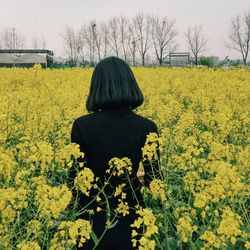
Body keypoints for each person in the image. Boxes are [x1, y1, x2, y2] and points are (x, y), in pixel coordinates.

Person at [69, 56, 160, 250]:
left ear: (96, 87)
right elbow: (155, 182)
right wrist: (142, 178)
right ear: (130, 85)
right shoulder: (148, 127)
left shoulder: (81, 126)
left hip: (91, 229)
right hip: (133, 226)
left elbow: (75, 181)